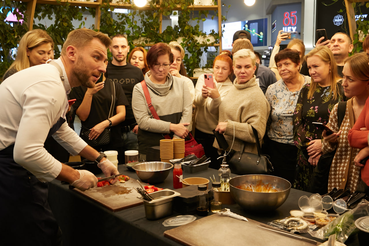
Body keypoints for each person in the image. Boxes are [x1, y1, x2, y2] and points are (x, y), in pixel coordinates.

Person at [0, 28, 119, 245]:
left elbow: (61, 129)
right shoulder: (49, 84)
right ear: (71, 53)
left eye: (105, 60)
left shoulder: (54, 79)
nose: (103, 67)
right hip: (7, 171)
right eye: (97, 57)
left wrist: (99, 159)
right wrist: (75, 176)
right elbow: (26, 152)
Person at [293, 46, 345, 191]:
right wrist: (310, 148)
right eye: (309, 67)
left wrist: (323, 145)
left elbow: (346, 126)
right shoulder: (306, 89)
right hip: (305, 155)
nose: (312, 71)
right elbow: (297, 122)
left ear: (329, 65)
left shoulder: (342, 89)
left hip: (332, 156)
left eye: (316, 66)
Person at [132, 43, 192, 161]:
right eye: (156, 64)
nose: (161, 69)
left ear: (171, 64)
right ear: (149, 64)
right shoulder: (139, 88)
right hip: (150, 149)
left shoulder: (182, 84)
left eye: (165, 64)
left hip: (178, 146)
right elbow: (143, 121)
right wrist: (173, 127)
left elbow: (188, 113)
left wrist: (177, 138)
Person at [321, 53, 369, 193]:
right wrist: (329, 141)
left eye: (350, 79)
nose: (344, 83)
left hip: (363, 188)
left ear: (367, 82)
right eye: (343, 76)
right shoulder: (340, 109)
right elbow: (326, 150)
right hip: (338, 185)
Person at [264, 49, 310, 184]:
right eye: (279, 65)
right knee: (281, 184)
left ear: (298, 65)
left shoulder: (311, 84)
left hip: (306, 146)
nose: (282, 68)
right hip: (279, 148)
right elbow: (266, 118)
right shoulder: (272, 89)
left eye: (287, 64)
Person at [212, 49, 269, 158]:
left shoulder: (256, 96)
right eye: (239, 67)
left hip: (241, 158)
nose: (242, 71)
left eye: (247, 67)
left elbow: (257, 133)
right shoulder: (235, 87)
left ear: (254, 68)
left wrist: (229, 126)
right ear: (233, 69)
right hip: (226, 152)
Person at [69, 63, 129, 155]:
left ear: (106, 64)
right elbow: (82, 116)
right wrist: (89, 93)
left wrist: (103, 125)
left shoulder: (114, 86)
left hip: (113, 139)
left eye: (103, 61)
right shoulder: (79, 88)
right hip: (90, 139)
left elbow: (122, 114)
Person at [106, 34, 145, 162]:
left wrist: (140, 122)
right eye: (116, 47)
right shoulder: (104, 70)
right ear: (110, 49)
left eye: (123, 46)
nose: (120, 50)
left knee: (134, 169)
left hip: (133, 129)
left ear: (128, 48)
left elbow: (145, 99)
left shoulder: (136, 72)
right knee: (111, 168)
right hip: (110, 130)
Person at [194, 53, 233, 169]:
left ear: (230, 71)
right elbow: (197, 102)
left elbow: (213, 110)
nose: (220, 71)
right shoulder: (204, 78)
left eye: (224, 68)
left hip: (215, 134)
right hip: (199, 130)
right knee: (198, 165)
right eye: (217, 67)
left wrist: (216, 98)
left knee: (213, 167)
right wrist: (203, 95)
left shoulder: (230, 88)